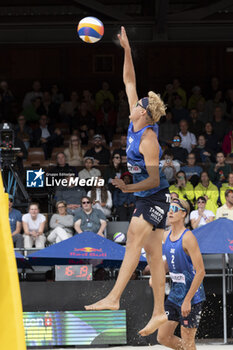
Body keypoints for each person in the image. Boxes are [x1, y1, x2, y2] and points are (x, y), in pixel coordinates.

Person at [84, 26, 170, 337]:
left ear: (146, 114)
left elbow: (155, 179)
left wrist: (127, 188)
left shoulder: (148, 140)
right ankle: (160, 311)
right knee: (153, 255)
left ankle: (113, 297)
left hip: (155, 198)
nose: (134, 103)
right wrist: (127, 50)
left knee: (133, 239)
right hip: (148, 199)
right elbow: (129, 80)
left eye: (139, 104)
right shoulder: (136, 124)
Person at [157, 198, 206, 350]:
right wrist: (156, 274)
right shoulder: (166, 236)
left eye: (174, 209)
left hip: (192, 296)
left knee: (188, 340)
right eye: (169, 208)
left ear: (184, 214)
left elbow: (201, 272)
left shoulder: (188, 237)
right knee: (163, 337)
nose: (170, 211)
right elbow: (169, 262)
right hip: (175, 294)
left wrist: (187, 300)